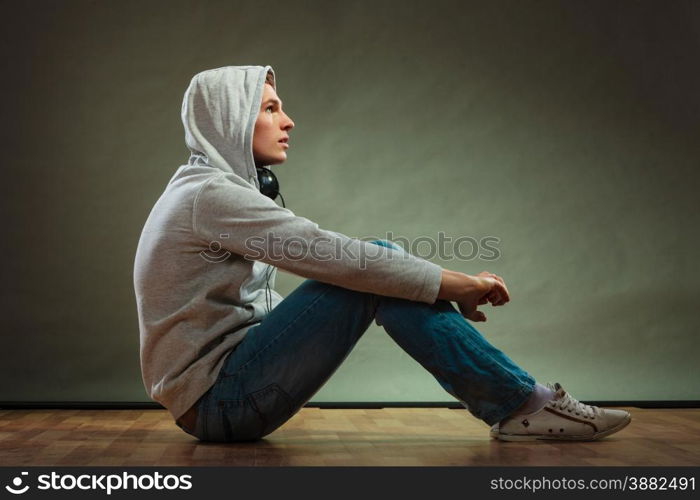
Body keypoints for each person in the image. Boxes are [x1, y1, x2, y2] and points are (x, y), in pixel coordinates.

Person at [133, 65, 631, 443]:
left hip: (224, 393)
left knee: (381, 273)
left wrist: (426, 282)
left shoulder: (204, 190)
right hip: (222, 400)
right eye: (269, 109)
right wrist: (457, 283)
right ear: (229, 122)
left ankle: (521, 403)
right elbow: (339, 257)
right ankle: (523, 404)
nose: (288, 120)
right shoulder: (209, 197)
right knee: (375, 265)